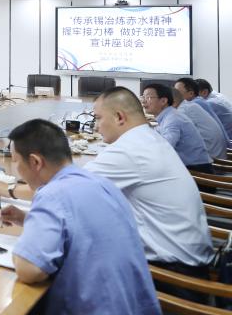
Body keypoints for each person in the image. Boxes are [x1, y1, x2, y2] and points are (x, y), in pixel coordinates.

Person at [0, 119, 161, 315]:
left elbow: (29, 270)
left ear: (35, 162)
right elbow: (81, 229)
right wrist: (29, 220)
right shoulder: (99, 183)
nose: (16, 169)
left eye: (15, 161)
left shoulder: (52, 194)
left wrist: (27, 241)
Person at [86, 87, 213, 287]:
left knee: (78, 258)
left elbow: (69, 190)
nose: (95, 127)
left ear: (119, 117)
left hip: (173, 275)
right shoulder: (148, 137)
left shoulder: (130, 149)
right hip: (190, 259)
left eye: (98, 118)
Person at [140, 84, 213, 172]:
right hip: (187, 167)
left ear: (163, 101)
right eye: (143, 97)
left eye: (148, 97)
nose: (143, 101)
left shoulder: (173, 118)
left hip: (196, 170)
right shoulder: (168, 115)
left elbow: (165, 147)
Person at [173, 87, 227, 160]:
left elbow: (172, 138)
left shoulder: (183, 110)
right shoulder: (189, 105)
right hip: (216, 152)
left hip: (211, 158)